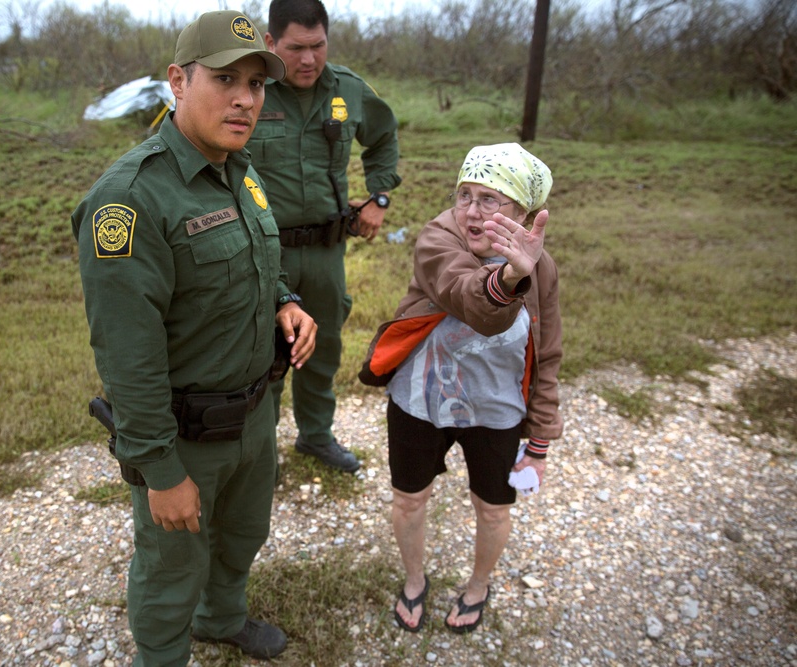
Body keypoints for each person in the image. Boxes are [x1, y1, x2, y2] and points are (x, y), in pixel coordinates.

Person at [71, 11, 318, 665]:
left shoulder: (240, 169)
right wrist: (159, 468)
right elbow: (128, 351)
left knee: (241, 535)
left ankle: (221, 616)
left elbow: (261, 263)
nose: (244, 98)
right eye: (225, 79)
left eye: (257, 84)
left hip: (254, 411)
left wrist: (287, 303)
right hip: (184, 436)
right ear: (178, 81)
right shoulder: (129, 200)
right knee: (170, 567)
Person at [377, 143, 562, 634]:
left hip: (497, 409)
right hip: (420, 400)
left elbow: (548, 355)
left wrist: (539, 441)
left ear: (523, 212)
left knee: (494, 506)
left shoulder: (540, 266)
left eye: (491, 199)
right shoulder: (438, 239)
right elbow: (469, 300)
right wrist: (509, 276)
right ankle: (414, 581)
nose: (472, 212)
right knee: (410, 499)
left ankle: (478, 586)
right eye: (465, 195)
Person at [246, 0, 402, 473]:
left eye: (318, 46)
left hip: (328, 251)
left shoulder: (348, 91)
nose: (309, 59)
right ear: (271, 44)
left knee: (324, 346)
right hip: (264, 255)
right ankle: (258, 454)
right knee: (262, 353)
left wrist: (378, 198)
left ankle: (316, 436)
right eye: (296, 48)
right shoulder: (249, 90)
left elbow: (384, 138)